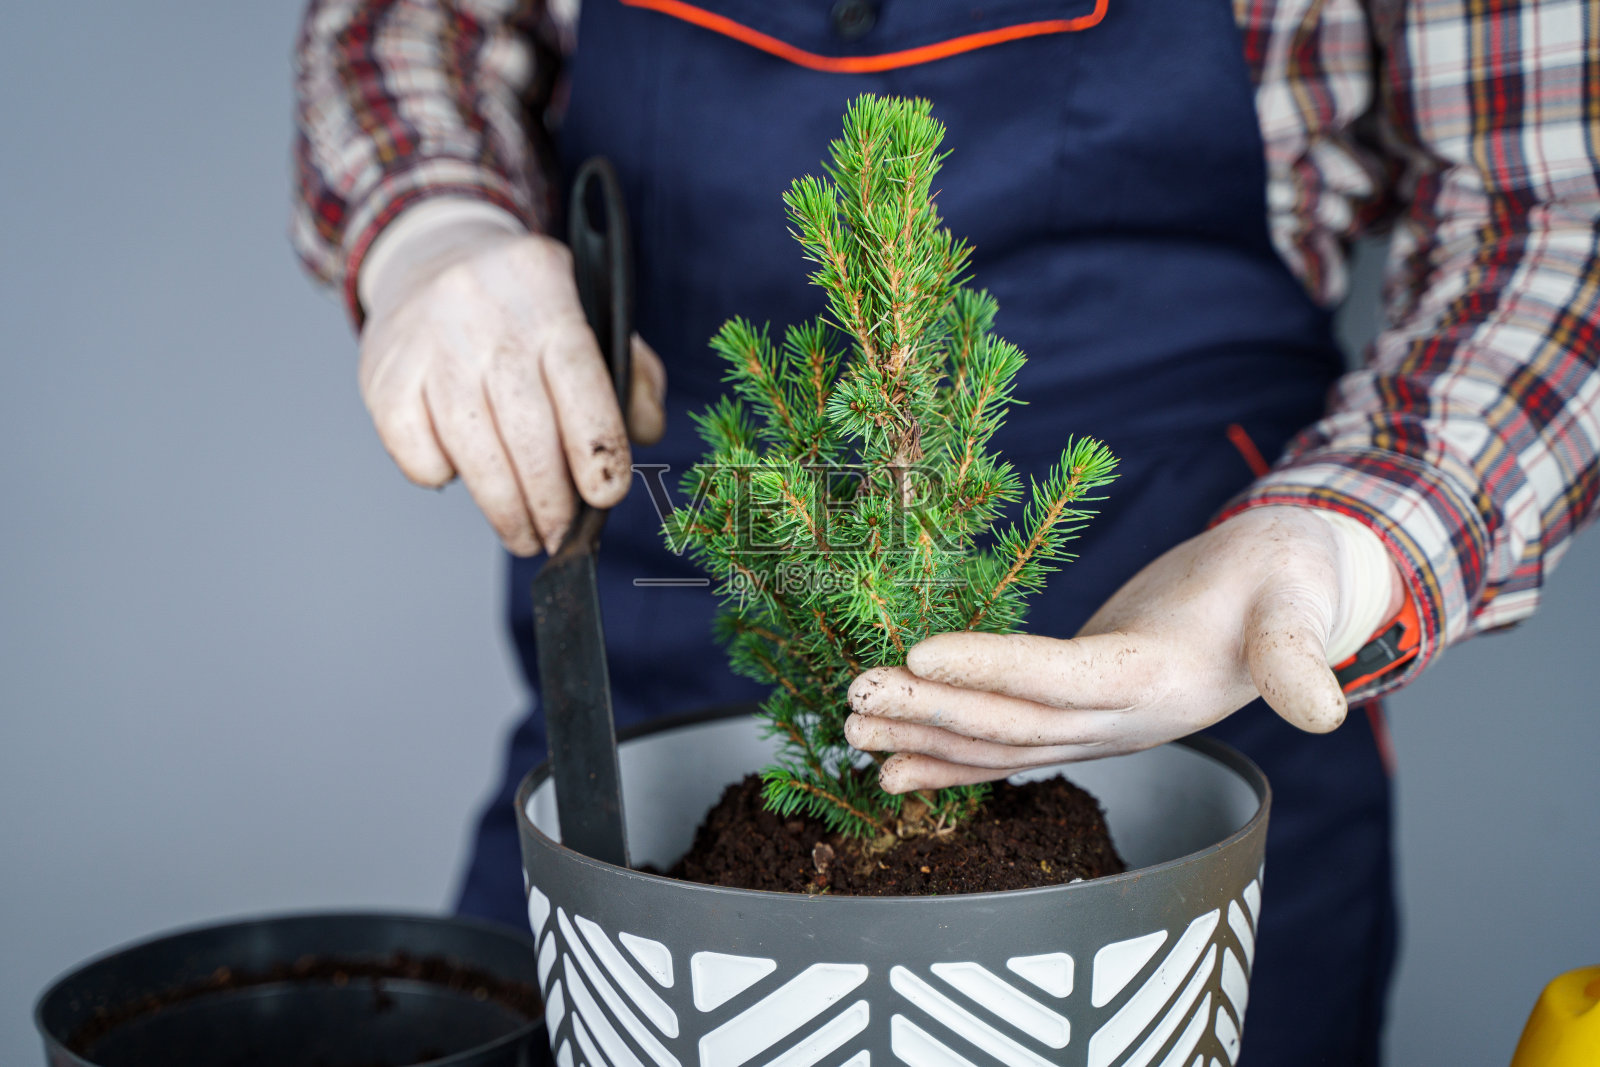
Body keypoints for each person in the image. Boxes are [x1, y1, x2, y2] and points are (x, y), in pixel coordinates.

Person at [292, 1, 1600, 1062]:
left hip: (1193, 720)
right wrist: (433, 217)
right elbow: (409, 24)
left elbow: (1555, 214)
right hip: (640, 715)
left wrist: (1344, 542)